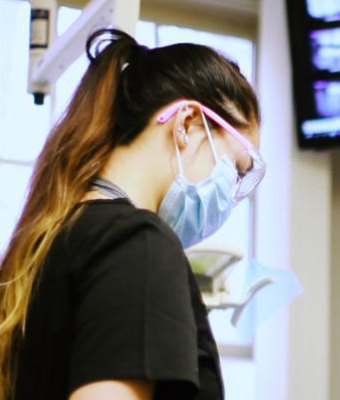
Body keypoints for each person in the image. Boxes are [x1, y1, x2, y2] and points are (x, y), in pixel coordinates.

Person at [0, 29, 263, 400]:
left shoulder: (51, 243)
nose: (229, 194)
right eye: (235, 168)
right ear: (187, 124)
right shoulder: (140, 246)